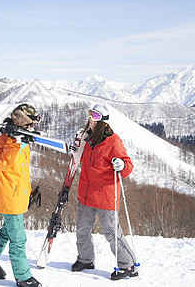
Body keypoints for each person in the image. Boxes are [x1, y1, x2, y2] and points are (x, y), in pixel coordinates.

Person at [69, 103, 138, 281]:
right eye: (90, 116)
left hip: (106, 195)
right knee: (82, 229)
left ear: (104, 122)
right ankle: (85, 259)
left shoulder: (113, 141)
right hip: (86, 194)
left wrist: (122, 165)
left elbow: (128, 166)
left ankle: (127, 265)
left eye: (96, 117)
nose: (92, 120)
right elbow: (78, 159)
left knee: (111, 232)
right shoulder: (86, 138)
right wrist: (73, 152)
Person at [0, 104, 42, 287]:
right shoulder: (6, 138)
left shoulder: (20, 138)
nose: (33, 127)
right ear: (22, 121)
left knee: (7, 231)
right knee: (18, 238)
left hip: (17, 194)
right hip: (9, 196)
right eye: (31, 123)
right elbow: (2, 162)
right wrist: (15, 141)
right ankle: (23, 277)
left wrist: (27, 193)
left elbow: (20, 171)